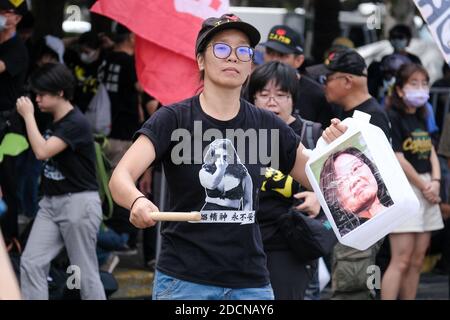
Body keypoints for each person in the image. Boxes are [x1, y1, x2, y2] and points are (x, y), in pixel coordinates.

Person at [108, 14, 346, 300]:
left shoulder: (267, 124)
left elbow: (319, 175)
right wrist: (137, 201)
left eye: (243, 50)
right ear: (200, 60)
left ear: (249, 65)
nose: (233, 57)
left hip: (250, 283)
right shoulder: (173, 119)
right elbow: (120, 177)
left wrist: (338, 149)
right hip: (184, 281)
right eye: (221, 48)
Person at [308, 48, 392, 300]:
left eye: (327, 79)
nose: (323, 86)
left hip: (362, 222)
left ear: (347, 81)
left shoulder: (368, 118)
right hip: (355, 221)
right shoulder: (354, 114)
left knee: (353, 288)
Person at [16, 63, 105, 300]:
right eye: (35, 94)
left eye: (42, 94)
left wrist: (27, 116)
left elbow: (42, 151)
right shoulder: (50, 119)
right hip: (51, 203)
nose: (37, 99)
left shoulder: (76, 122)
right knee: (31, 262)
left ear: (61, 93)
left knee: (84, 272)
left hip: (78, 203)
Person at [246, 60, 323, 299]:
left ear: (293, 99)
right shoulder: (241, 133)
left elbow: (334, 183)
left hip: (288, 243)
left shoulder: (310, 134)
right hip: (245, 239)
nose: (272, 102)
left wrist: (317, 195)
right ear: (253, 99)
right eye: (264, 94)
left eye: (281, 94)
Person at [381, 63, 444, 300]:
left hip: (428, 187)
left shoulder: (422, 114)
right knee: (401, 259)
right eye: (414, 83)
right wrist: (425, 185)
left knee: (417, 260)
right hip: (407, 188)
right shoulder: (392, 117)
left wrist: (436, 180)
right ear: (399, 89)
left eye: (424, 83)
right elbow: (398, 158)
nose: (421, 89)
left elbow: (431, 151)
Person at [262, 24, 338, 129]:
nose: (274, 59)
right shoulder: (251, 87)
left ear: (299, 60)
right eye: (269, 52)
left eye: (282, 55)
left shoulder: (317, 95)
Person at [0, 0, 29, 248]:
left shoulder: (17, 48)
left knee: (8, 180)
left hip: (7, 126)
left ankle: (10, 238)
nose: (1, 17)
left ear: (16, 18)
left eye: (5, 13)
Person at [320, 147, 394, 236]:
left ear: (370, 168)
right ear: (336, 202)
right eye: (341, 182)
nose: (354, 180)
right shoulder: (350, 244)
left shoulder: (402, 202)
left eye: (355, 168)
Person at [199, 139, 252, 211]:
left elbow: (247, 202)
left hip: (232, 215)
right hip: (209, 214)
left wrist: (245, 221)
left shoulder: (244, 175)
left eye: (225, 156)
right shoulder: (205, 171)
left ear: (231, 156)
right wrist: (220, 169)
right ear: (213, 157)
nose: (221, 160)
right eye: (217, 156)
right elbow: (212, 185)